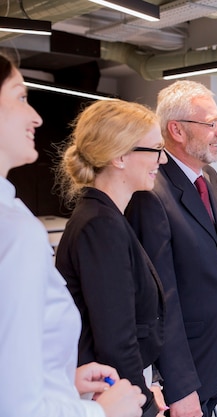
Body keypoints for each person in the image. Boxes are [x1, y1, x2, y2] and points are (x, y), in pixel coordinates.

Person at [0, 52, 146, 417]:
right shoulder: (16, 230)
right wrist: (104, 413)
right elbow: (17, 406)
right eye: (20, 97)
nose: (36, 116)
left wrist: (63, 379)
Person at [125, 80, 217, 417]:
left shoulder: (209, 179)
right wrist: (180, 386)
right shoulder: (151, 192)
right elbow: (161, 301)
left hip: (211, 353)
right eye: (212, 123)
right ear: (176, 129)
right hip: (181, 367)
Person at [54, 99, 167, 417]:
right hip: (108, 392)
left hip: (117, 384)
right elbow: (115, 336)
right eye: (155, 149)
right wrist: (142, 403)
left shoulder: (107, 217)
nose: (163, 159)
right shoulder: (100, 224)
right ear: (119, 156)